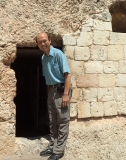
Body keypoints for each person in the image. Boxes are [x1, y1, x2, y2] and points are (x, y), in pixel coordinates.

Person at [36, 32, 72, 160]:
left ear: (50, 40)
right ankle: (52, 146)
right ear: (38, 45)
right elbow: (47, 78)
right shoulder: (43, 58)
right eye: (40, 42)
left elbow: (68, 75)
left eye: (44, 40)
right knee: (52, 121)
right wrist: (48, 95)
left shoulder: (58, 54)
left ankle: (58, 151)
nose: (43, 43)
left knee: (62, 120)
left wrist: (66, 94)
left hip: (61, 90)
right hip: (51, 91)